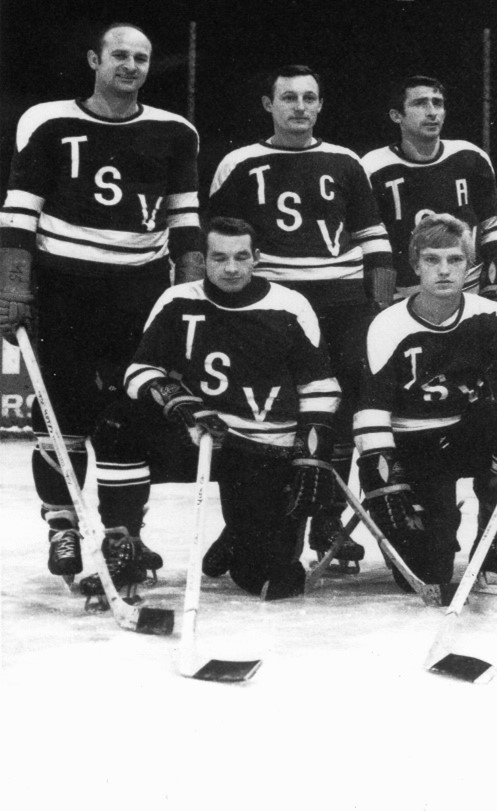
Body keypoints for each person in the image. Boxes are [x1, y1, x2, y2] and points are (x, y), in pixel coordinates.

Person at [0, 22, 202, 583]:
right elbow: (18, 216)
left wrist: (188, 295)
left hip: (138, 289)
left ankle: (123, 535)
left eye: (141, 58)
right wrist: (12, 286)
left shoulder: (175, 131)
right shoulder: (47, 120)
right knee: (58, 410)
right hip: (63, 287)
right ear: (94, 59)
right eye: (119, 55)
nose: (130, 66)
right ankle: (63, 525)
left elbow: (185, 223)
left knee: (128, 411)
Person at [93, 217, 341, 600]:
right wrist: (178, 401)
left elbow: (320, 388)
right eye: (219, 257)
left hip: (263, 449)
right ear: (203, 260)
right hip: (198, 437)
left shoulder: (290, 306)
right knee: (117, 421)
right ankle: (122, 543)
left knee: (274, 583)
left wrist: (310, 456)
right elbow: (140, 371)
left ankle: (240, 532)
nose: (230, 267)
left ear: (257, 257)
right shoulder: (178, 300)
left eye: (241, 257)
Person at [208, 64, 393, 568]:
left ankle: (327, 515)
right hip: (271, 306)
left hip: (340, 301)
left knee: (335, 408)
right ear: (268, 104)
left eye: (310, 98)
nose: (301, 107)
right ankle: (241, 523)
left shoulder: (344, 161)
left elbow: (373, 241)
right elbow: (218, 244)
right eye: (289, 97)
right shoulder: (240, 163)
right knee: (265, 411)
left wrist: (377, 311)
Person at [354, 214, 497, 588]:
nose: (444, 271)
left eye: (455, 260)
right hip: (412, 447)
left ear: (470, 266)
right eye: (432, 260)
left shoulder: (488, 314)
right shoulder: (388, 323)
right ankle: (431, 530)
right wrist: (383, 479)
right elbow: (371, 409)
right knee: (429, 575)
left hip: (464, 433)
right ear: (415, 265)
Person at [360, 76, 497, 309]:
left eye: (438, 103)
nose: (432, 112)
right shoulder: (374, 167)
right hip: (404, 296)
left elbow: (495, 226)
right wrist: (382, 299)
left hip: (469, 290)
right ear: (396, 115)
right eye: (420, 103)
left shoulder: (469, 157)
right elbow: (369, 238)